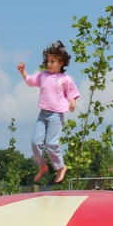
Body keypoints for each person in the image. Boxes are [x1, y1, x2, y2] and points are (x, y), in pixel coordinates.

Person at [17, 40, 80, 185]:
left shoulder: (65, 78)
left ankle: (60, 166)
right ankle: (43, 166)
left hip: (56, 115)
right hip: (43, 114)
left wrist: (72, 101)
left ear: (61, 63)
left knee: (51, 143)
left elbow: (72, 93)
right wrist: (23, 72)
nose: (49, 64)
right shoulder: (43, 75)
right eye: (48, 61)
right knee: (35, 142)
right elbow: (30, 81)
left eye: (53, 61)